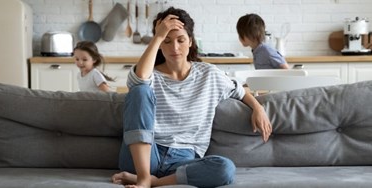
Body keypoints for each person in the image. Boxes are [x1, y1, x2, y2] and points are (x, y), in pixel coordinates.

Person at [111, 7, 272, 188]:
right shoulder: (149, 75)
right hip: (145, 155)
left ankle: (153, 182)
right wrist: (157, 35)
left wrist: (258, 108)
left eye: (181, 40)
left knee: (225, 168)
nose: (175, 48)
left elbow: (240, 92)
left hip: (183, 161)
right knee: (139, 90)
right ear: (160, 43)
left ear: (190, 42)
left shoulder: (209, 74)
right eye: (167, 40)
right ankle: (143, 177)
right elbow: (139, 78)